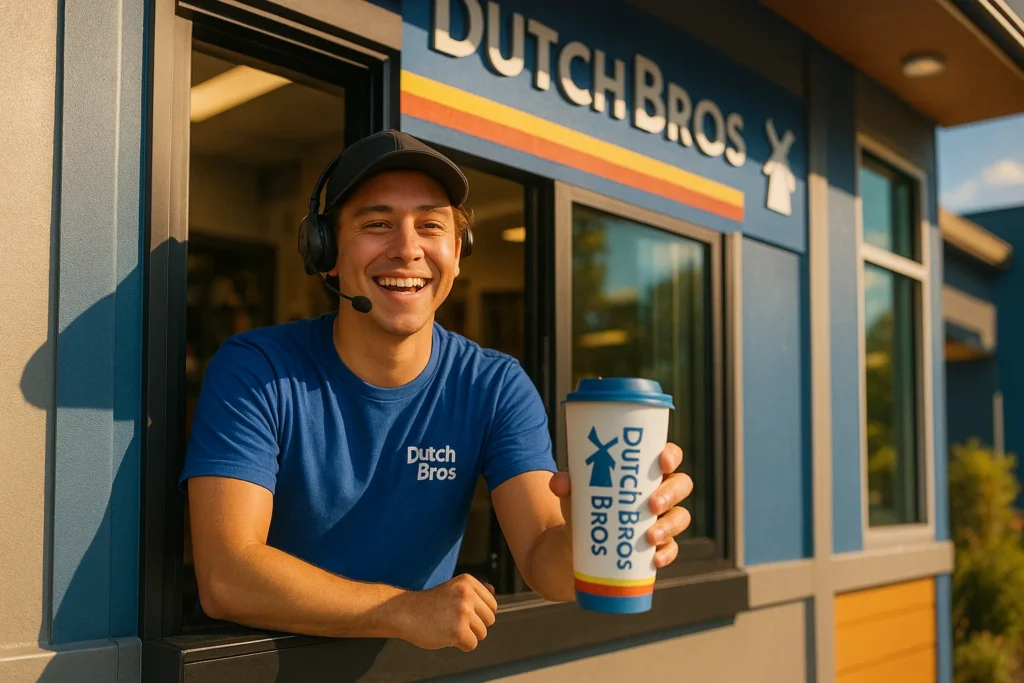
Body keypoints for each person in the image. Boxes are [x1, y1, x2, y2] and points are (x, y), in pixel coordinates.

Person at [179, 130, 694, 654]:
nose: (407, 249)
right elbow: (226, 576)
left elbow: (547, 566)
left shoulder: (495, 385)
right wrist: (400, 610)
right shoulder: (257, 369)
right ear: (326, 251)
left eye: (431, 225)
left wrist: (599, 527)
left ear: (457, 253)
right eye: (376, 224)